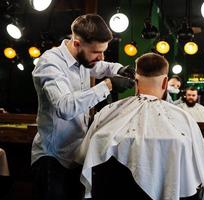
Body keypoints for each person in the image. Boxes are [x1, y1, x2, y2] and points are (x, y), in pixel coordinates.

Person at [76, 52, 204, 200]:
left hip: (114, 192)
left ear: (136, 81)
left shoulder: (109, 112)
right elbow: (201, 168)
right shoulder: (183, 118)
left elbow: (84, 155)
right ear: (165, 82)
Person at [31, 14, 134, 200]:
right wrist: (108, 85)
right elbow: (65, 107)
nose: (100, 57)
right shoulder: (50, 64)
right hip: (52, 159)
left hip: (76, 154)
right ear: (77, 43)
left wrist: (119, 69)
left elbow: (100, 66)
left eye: (103, 51)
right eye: (96, 52)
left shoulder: (83, 59)